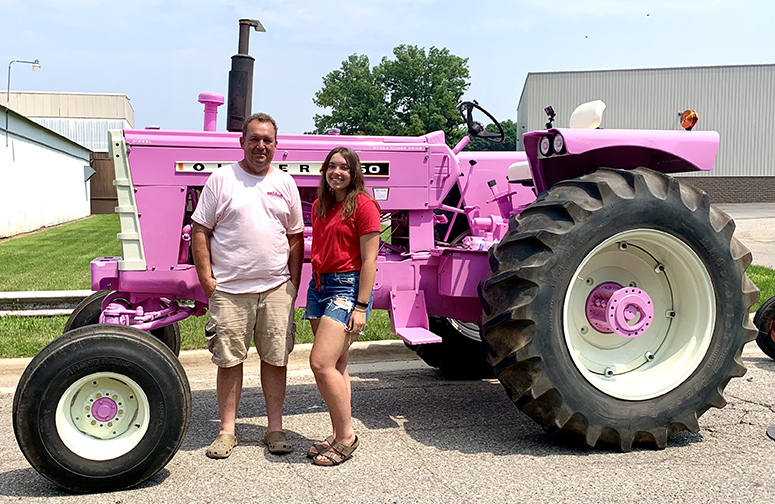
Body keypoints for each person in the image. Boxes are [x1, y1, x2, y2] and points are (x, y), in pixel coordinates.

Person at [191, 113, 304, 459]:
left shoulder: (285, 184)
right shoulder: (222, 180)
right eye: (254, 139)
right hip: (229, 289)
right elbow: (200, 231)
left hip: (275, 289)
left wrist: (293, 283)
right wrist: (208, 281)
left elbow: (296, 236)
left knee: (275, 359)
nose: (260, 146)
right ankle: (227, 431)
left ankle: (275, 428)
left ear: (276, 145)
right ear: (242, 142)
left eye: (267, 140)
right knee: (228, 361)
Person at [304, 146, 380, 466]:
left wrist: (361, 306)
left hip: (346, 290)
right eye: (332, 166)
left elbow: (370, 260)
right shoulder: (321, 205)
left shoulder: (364, 206)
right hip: (319, 286)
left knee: (320, 363)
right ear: (324, 170)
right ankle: (338, 433)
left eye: (344, 168)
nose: (337, 172)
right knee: (336, 365)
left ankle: (347, 438)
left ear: (354, 173)